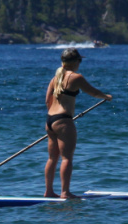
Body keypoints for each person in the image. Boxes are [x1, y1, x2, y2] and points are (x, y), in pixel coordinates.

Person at [43, 48, 112, 199]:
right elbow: (93, 92)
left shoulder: (55, 79)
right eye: (79, 61)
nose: (80, 64)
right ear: (75, 62)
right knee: (66, 158)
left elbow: (48, 100)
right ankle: (65, 192)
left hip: (50, 120)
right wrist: (106, 96)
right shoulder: (76, 77)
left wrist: (54, 119)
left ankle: (48, 191)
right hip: (63, 121)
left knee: (52, 158)